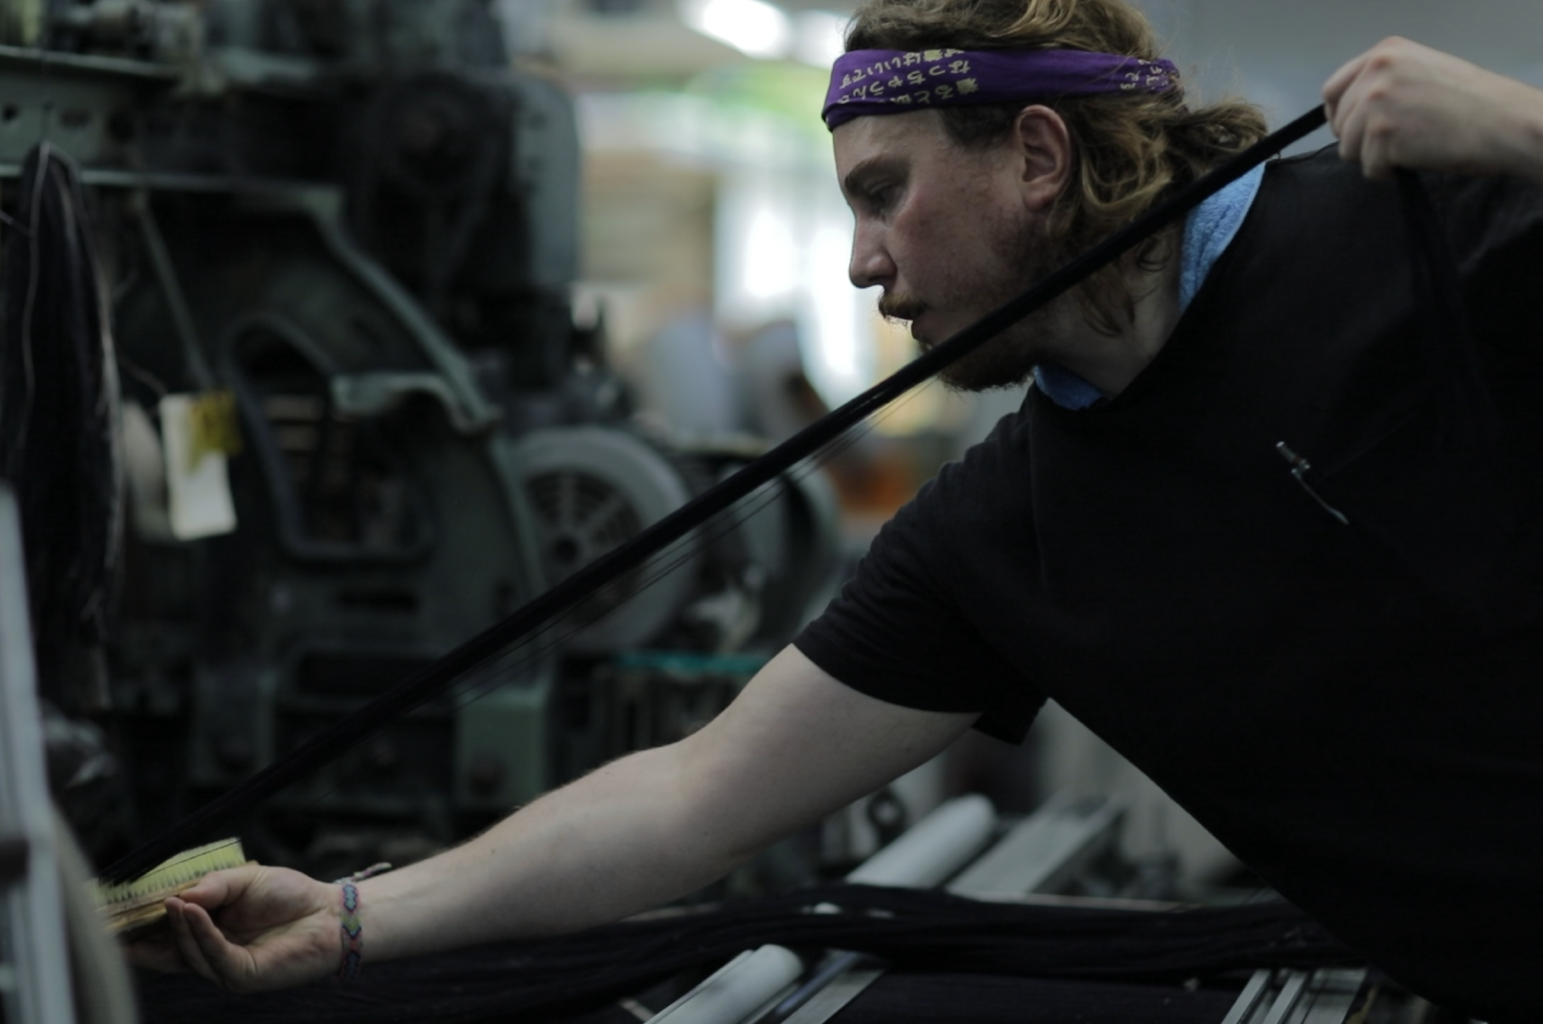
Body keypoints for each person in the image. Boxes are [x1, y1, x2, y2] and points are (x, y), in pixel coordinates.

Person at [127, 1, 1543, 1017]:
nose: (863, 260)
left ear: (1038, 159)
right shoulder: (1007, 537)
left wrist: (1529, 127)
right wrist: (353, 919)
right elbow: (691, 800)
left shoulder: (1405, 227)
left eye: (885, 194)